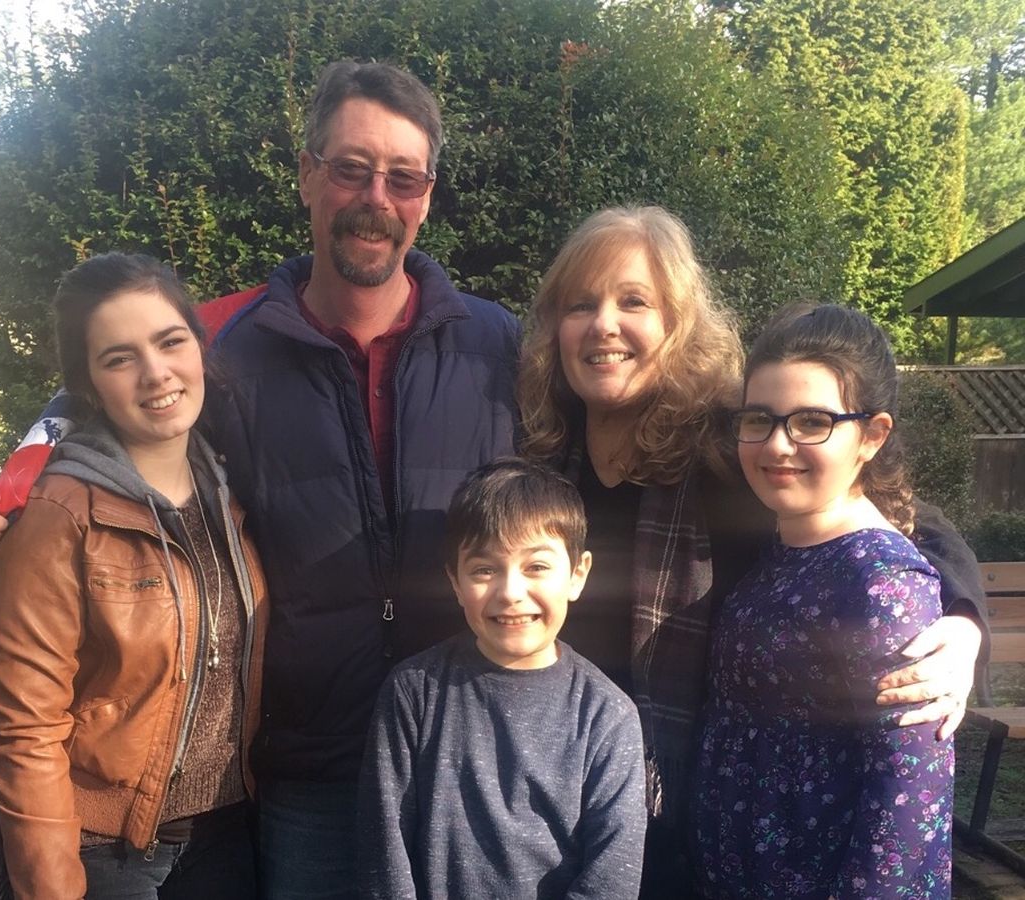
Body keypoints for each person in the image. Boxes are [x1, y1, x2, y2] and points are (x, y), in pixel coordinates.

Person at [0, 61, 520, 899]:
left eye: (403, 177)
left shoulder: (498, 347)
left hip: (461, 758)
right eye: (351, 168)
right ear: (307, 176)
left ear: (427, 196)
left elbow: (587, 480)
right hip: (303, 779)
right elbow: (82, 421)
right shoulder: (226, 350)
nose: (376, 198)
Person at [516, 206, 983, 897]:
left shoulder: (734, 454)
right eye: (580, 304)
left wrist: (965, 621)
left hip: (671, 828)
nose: (603, 324)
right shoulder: (538, 462)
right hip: (548, 803)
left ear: (677, 324)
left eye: (634, 301)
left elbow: (893, 517)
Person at [0, 253, 267, 899]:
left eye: (170, 341)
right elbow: (25, 730)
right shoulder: (60, 515)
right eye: (119, 358)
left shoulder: (231, 492)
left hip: (226, 838)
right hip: (109, 855)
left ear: (198, 347)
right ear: (88, 385)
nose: (155, 372)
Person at [692, 303, 953, 898]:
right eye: (759, 419)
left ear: (872, 435)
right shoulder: (779, 550)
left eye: (812, 422)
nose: (777, 445)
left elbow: (908, 800)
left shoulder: (882, 583)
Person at [357, 458, 645, 899]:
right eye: (484, 569)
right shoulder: (413, 693)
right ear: (455, 581)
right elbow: (384, 851)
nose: (510, 592)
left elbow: (611, 880)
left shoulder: (608, 716)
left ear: (578, 575)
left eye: (536, 567)